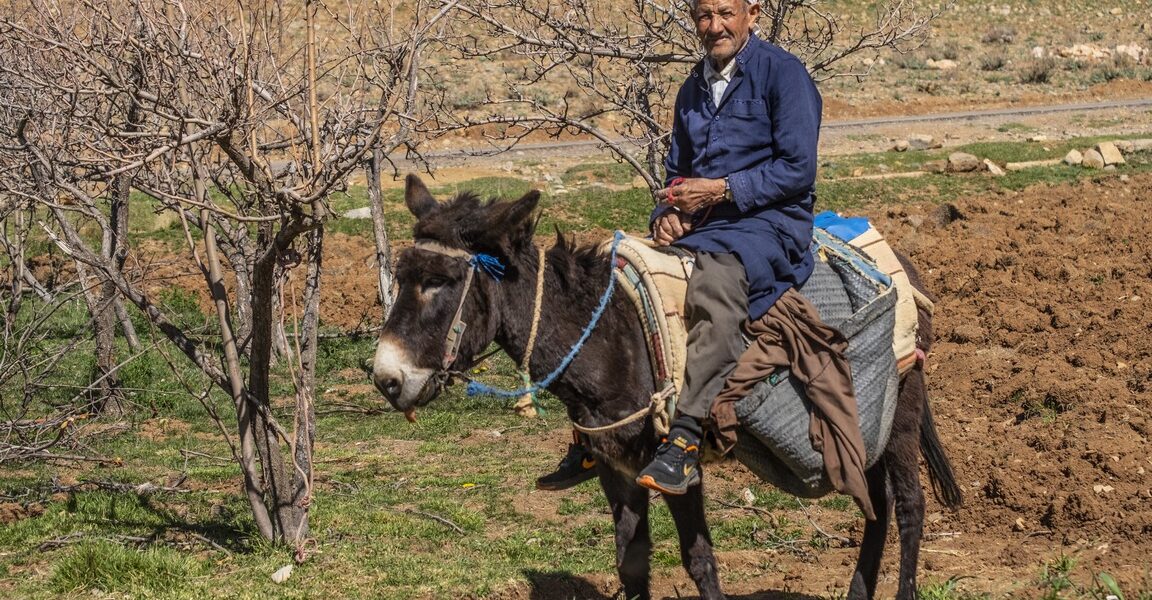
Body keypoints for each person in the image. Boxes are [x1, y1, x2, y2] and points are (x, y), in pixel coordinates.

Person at [536, 0, 822, 495]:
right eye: (704, 16)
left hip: (768, 225)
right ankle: (592, 431)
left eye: (726, 13)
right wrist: (666, 214)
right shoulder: (691, 89)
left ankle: (686, 438)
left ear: (752, 13)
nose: (715, 27)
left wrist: (721, 190)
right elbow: (676, 175)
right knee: (616, 272)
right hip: (704, 223)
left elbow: (798, 169)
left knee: (714, 287)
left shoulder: (784, 74)